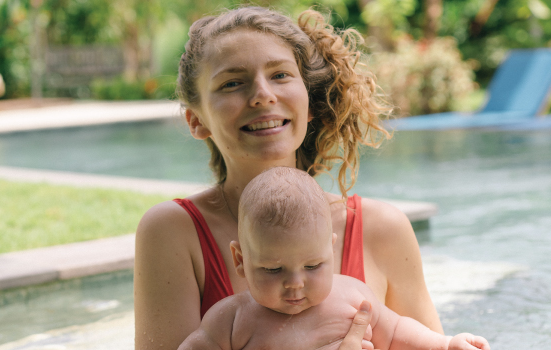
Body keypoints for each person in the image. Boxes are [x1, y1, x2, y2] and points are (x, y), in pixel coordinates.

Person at [135, 6, 441, 349]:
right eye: (232, 83)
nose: (263, 95)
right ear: (196, 120)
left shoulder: (382, 229)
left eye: (280, 75)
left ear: (309, 102)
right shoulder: (174, 232)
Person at [177, 167, 490, 350]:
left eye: (312, 266)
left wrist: (446, 344)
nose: (295, 284)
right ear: (240, 260)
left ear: (331, 249)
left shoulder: (353, 297)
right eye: (273, 269)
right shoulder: (231, 320)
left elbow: (396, 333)